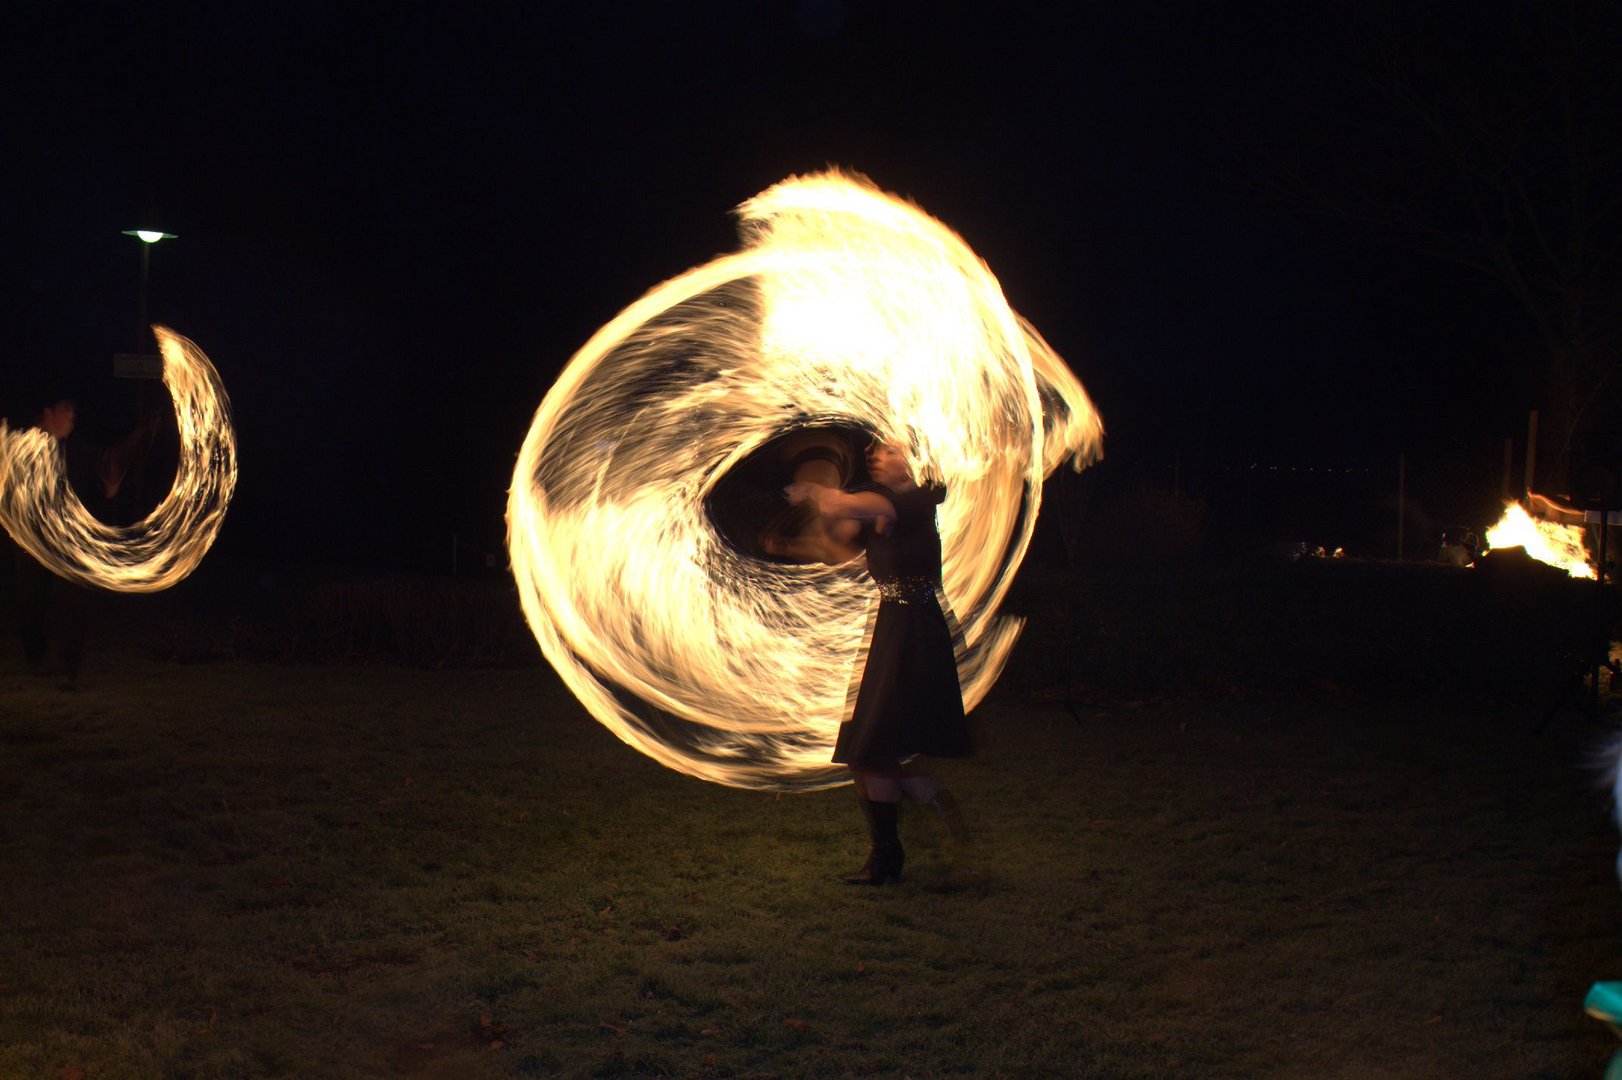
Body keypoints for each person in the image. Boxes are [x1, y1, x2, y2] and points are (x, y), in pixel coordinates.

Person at [786, 438, 972, 885]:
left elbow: (840, 505)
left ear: (912, 461)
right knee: (868, 750)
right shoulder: (885, 505)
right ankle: (907, 820)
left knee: (871, 748)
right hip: (899, 625)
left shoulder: (906, 502)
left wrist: (815, 491)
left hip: (911, 632)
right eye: (875, 450)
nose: (876, 455)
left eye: (888, 451)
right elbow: (840, 537)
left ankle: (893, 849)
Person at [10, 394, 155, 685]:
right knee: (31, 603)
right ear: (48, 413)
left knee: (75, 602)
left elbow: (109, 471)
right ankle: (37, 659)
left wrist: (141, 434)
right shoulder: (21, 448)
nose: (73, 415)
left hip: (68, 545)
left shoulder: (76, 450)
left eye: (75, 410)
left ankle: (68, 666)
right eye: (67, 410)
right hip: (31, 544)